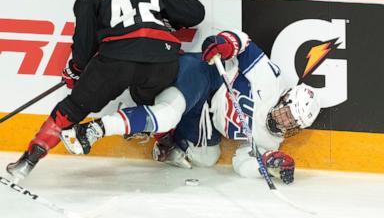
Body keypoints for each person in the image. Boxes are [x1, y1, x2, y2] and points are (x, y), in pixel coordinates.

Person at [6, 0, 205, 181]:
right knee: (151, 101)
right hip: (162, 60)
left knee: (71, 110)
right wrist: (167, 19)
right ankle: (168, 146)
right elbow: (195, 13)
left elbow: (84, 43)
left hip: (118, 60)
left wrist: (76, 69)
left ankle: (27, 162)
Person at [60, 29, 321, 184]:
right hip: (205, 76)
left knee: (206, 159)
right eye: (286, 113)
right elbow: (244, 43)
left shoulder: (272, 140)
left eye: (292, 123)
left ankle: (159, 134)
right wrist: (226, 43)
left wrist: (269, 164)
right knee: (168, 114)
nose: (284, 122)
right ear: (284, 98)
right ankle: (94, 129)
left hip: (203, 115)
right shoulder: (271, 80)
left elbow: (242, 163)